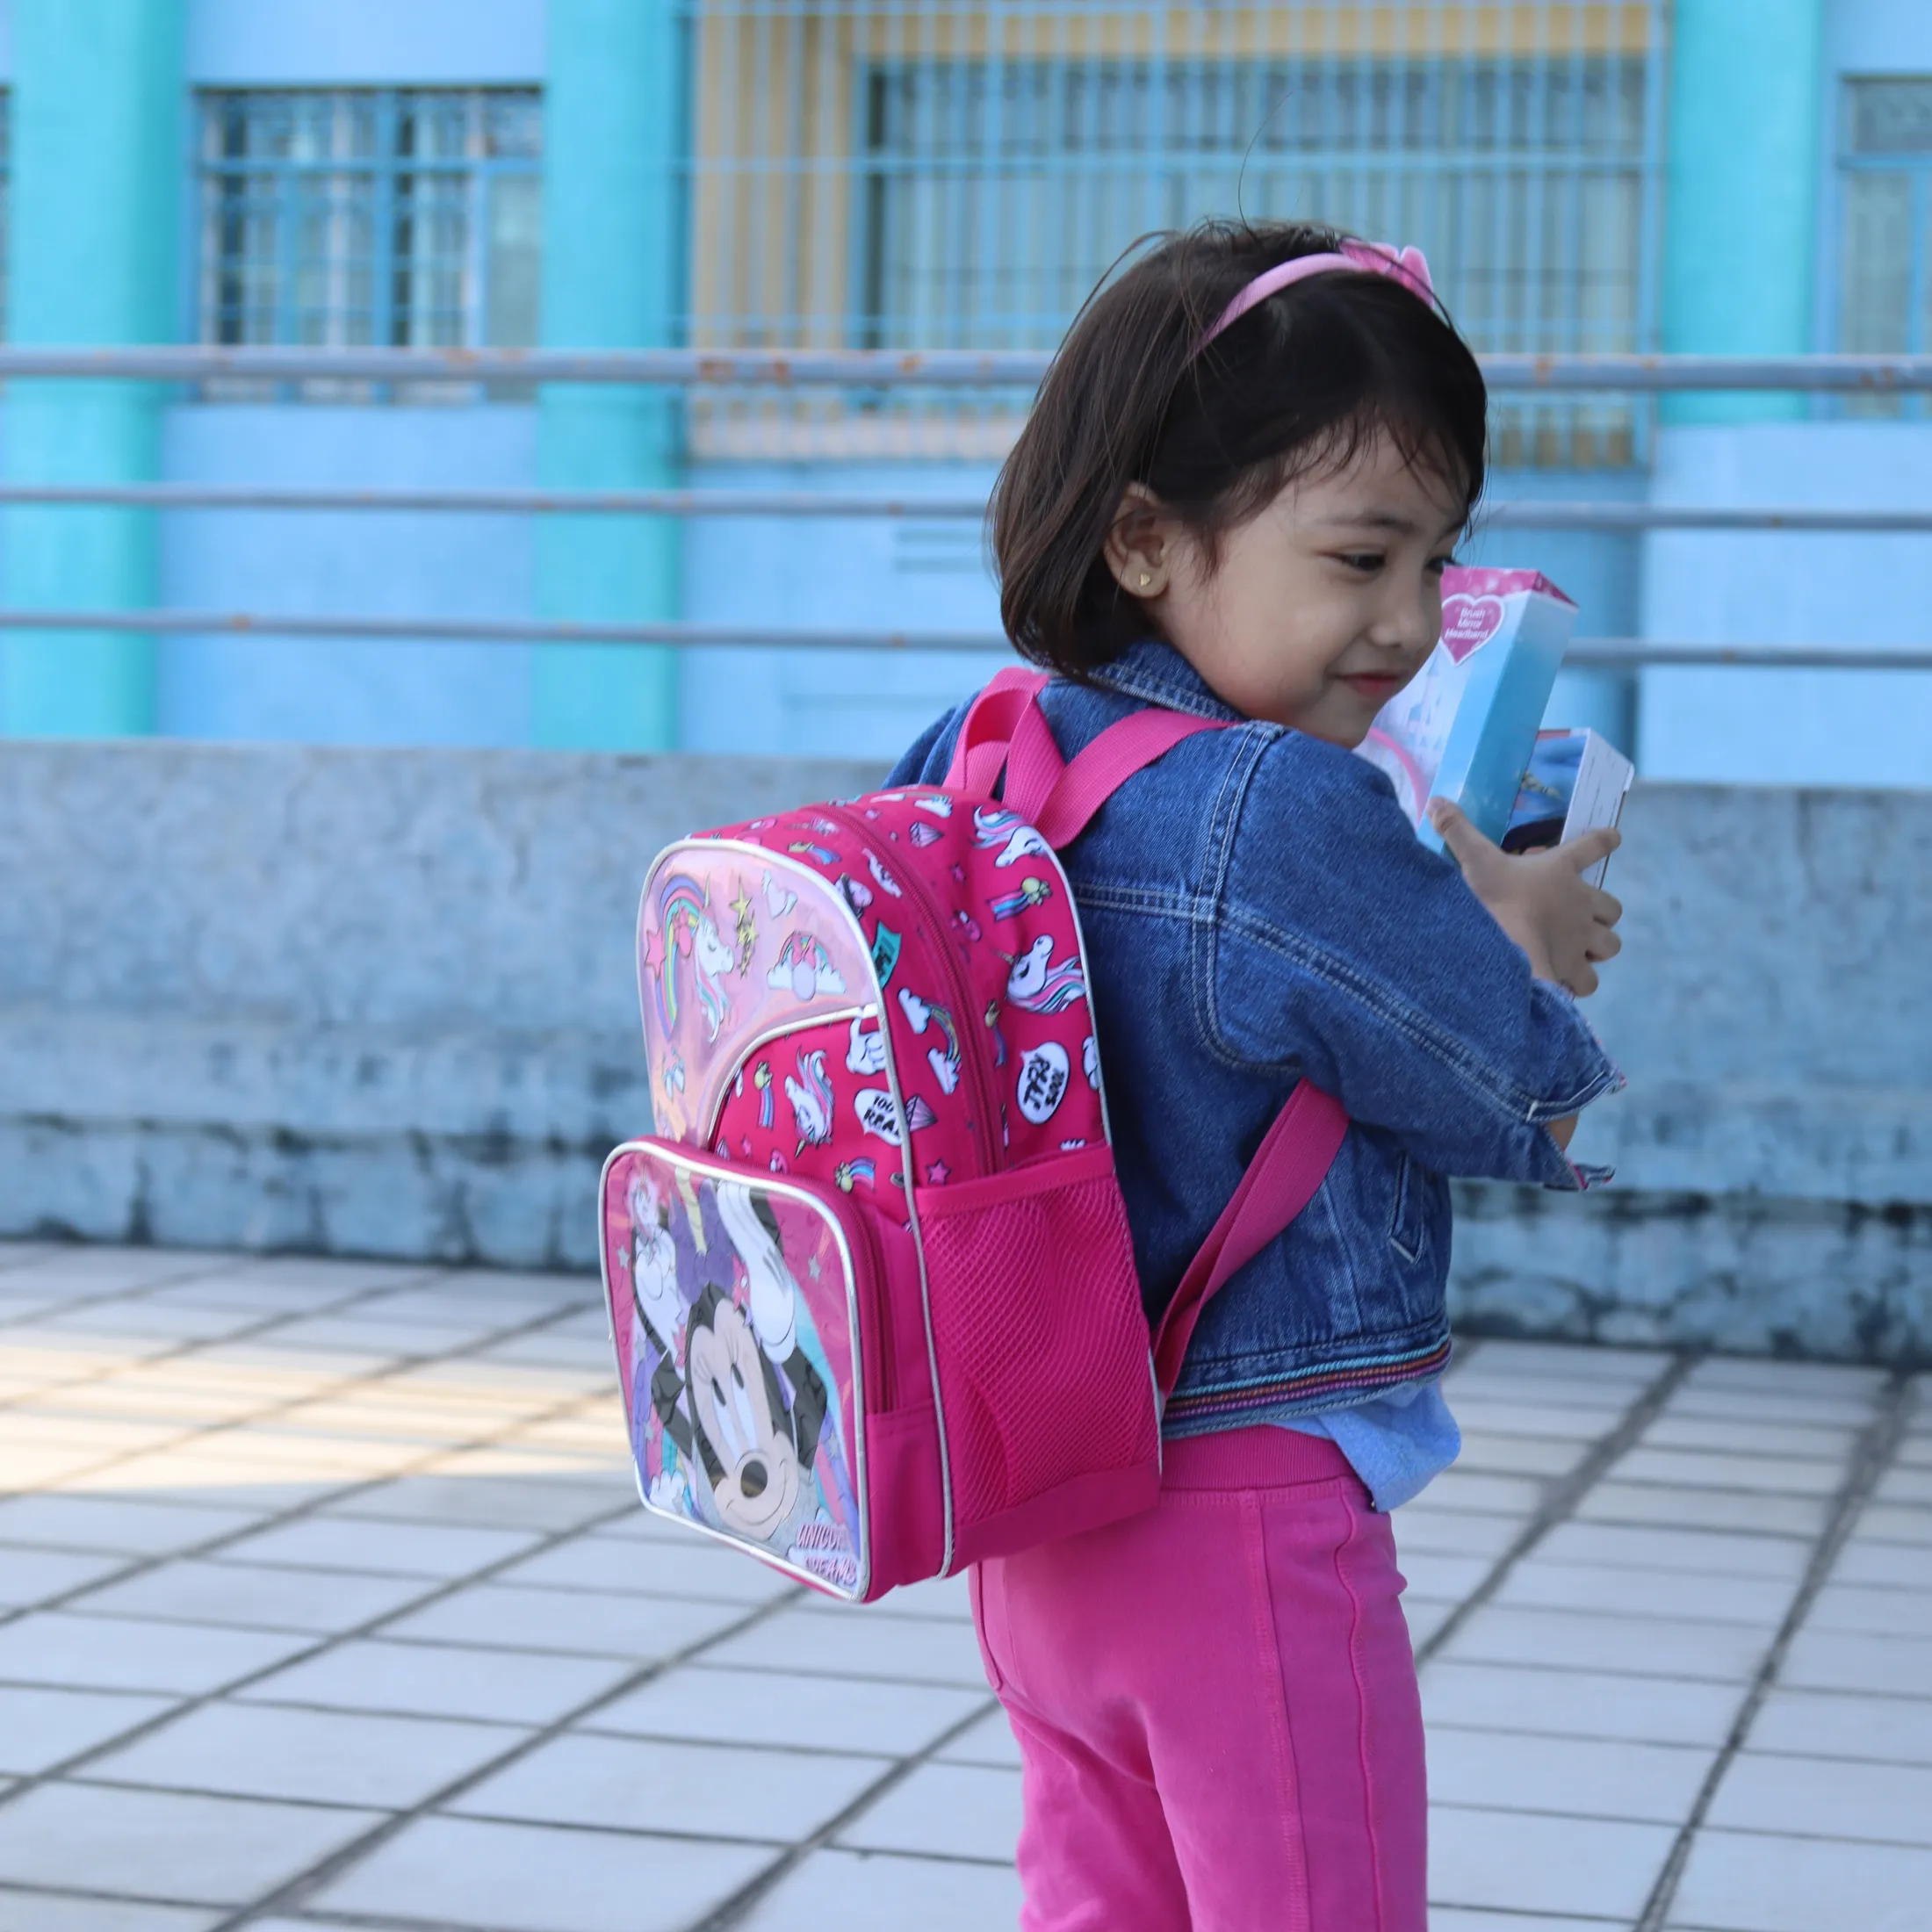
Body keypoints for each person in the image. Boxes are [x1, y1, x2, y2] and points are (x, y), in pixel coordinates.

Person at [886, 220, 1626, 1932]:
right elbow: (1517, 1090)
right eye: (1358, 557)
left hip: (1040, 1497)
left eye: (1436, 564)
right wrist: (1505, 925)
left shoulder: (986, 742)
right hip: (1241, 1507)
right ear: (1145, 536)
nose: (1408, 622)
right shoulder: (1272, 806)